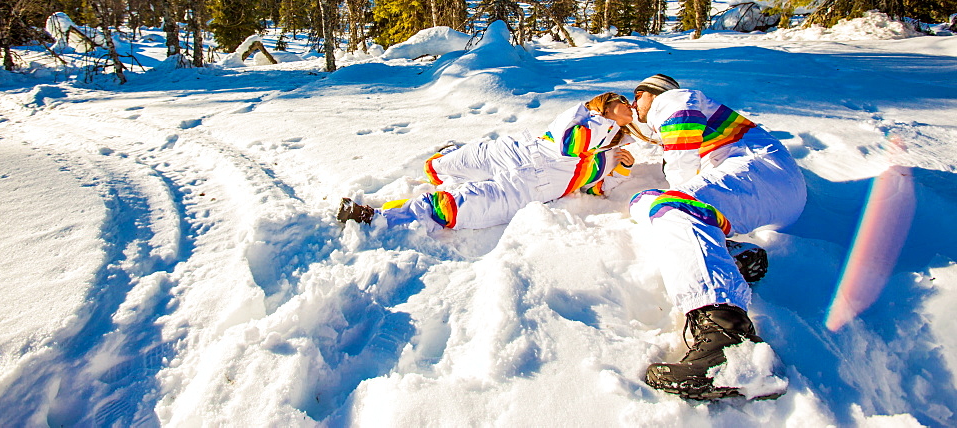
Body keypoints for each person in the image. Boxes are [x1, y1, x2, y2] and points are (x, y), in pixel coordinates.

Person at [628, 74, 806, 400]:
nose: (633, 106)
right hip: (773, 187)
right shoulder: (692, 120)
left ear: (646, 93)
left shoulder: (671, 100)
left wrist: (680, 196)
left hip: (759, 171)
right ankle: (728, 254)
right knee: (644, 203)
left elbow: (681, 111)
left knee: (675, 207)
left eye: (635, 99)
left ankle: (727, 339)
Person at [337, 92, 637, 231]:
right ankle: (450, 157)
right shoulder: (582, 115)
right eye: (623, 101)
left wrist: (621, 168)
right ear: (607, 103)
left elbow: (596, 191)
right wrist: (606, 118)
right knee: (439, 166)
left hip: (532, 186)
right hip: (516, 151)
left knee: (462, 205)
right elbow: (570, 144)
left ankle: (378, 217)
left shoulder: (612, 151)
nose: (628, 106)